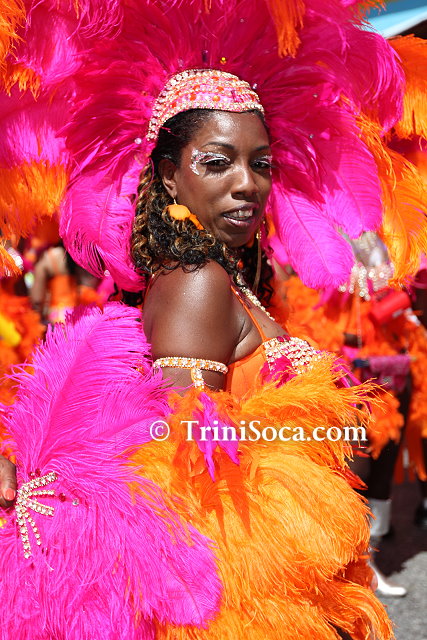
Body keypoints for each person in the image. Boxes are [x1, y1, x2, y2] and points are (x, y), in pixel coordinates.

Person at [0, 0, 415, 637]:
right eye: (217, 162)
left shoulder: (219, 274)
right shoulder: (197, 280)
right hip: (235, 587)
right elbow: (189, 467)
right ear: (169, 176)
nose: (247, 183)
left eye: (261, 162)